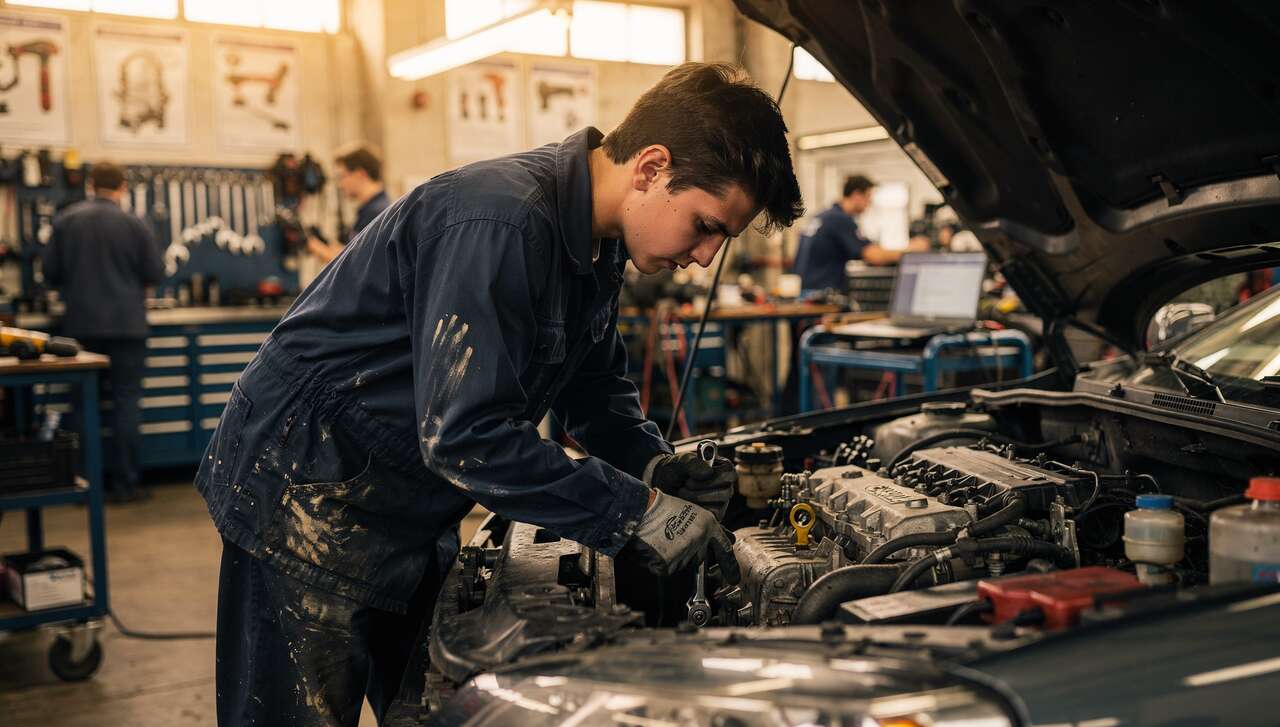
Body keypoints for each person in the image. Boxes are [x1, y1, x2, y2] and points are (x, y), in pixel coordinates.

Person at [197, 62, 804, 726]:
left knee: (429, 702)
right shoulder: (499, 221)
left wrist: (654, 466)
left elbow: (595, 388)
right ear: (651, 168)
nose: (706, 257)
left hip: (402, 492)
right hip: (305, 490)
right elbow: (466, 436)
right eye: (704, 225)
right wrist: (636, 510)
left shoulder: (595, 248)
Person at [43, 162, 164, 503]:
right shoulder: (135, 224)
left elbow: (50, 272)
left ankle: (85, 485)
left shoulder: (66, 221)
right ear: (123, 187)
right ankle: (126, 485)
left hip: (81, 328)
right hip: (127, 327)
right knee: (126, 404)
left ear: (91, 185)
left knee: (83, 406)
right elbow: (154, 271)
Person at [792, 175, 923, 293]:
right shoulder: (840, 219)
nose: (869, 203)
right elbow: (874, 256)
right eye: (868, 197)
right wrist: (911, 250)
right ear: (856, 195)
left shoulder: (822, 216)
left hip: (802, 291)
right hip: (821, 296)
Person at [306, 143, 392, 263]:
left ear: (360, 174)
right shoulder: (371, 209)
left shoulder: (377, 213)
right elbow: (355, 253)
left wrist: (314, 246)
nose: (340, 185)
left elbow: (356, 264)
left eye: (342, 176)